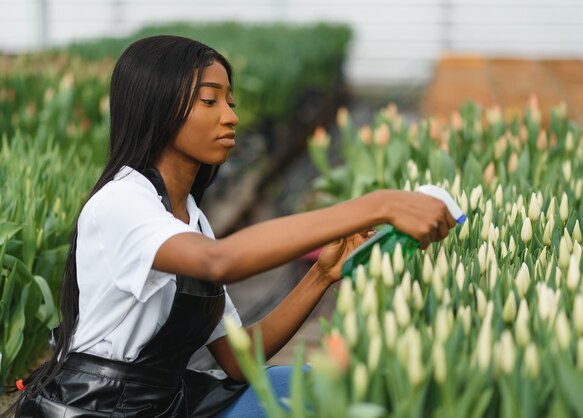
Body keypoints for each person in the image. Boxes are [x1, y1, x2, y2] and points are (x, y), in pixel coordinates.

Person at [10, 35, 455, 417]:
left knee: (318, 387)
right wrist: (374, 205)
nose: (231, 116)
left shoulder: (191, 219)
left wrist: (320, 275)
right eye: (210, 100)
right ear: (158, 107)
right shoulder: (122, 203)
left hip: (166, 401)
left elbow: (240, 361)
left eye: (230, 101)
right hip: (100, 408)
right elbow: (218, 262)